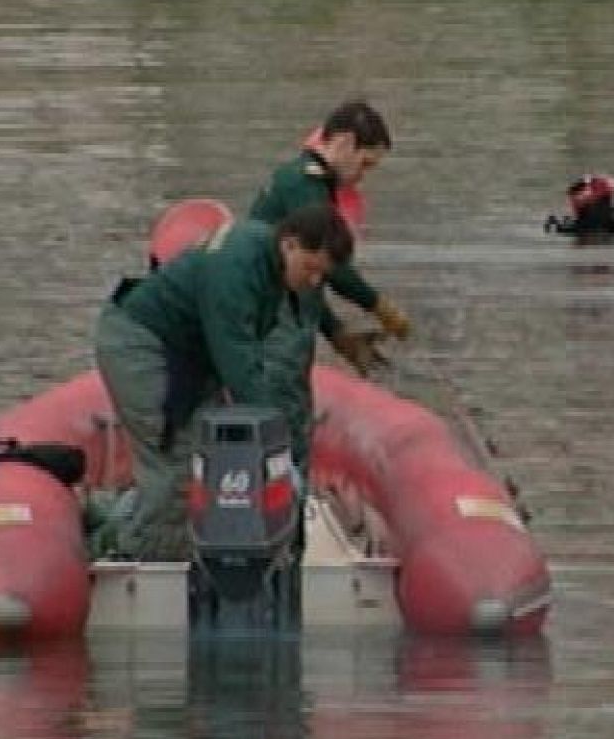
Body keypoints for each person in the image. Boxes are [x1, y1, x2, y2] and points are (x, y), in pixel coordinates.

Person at [94, 206, 357, 563]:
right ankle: (143, 555)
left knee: (214, 452)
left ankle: (143, 528)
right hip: (143, 346)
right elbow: (238, 362)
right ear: (290, 244)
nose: (313, 283)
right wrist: (278, 441)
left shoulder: (271, 262)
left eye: (320, 276)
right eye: (310, 269)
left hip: (186, 354)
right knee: (179, 461)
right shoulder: (237, 269)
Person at [248, 100, 410, 479]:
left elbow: (308, 282)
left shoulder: (299, 182)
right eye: (365, 164)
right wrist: (379, 305)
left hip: (279, 315)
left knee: (287, 414)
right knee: (286, 419)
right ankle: (287, 514)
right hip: (275, 324)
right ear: (346, 143)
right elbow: (327, 265)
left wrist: (335, 330)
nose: (361, 177)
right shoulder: (306, 187)